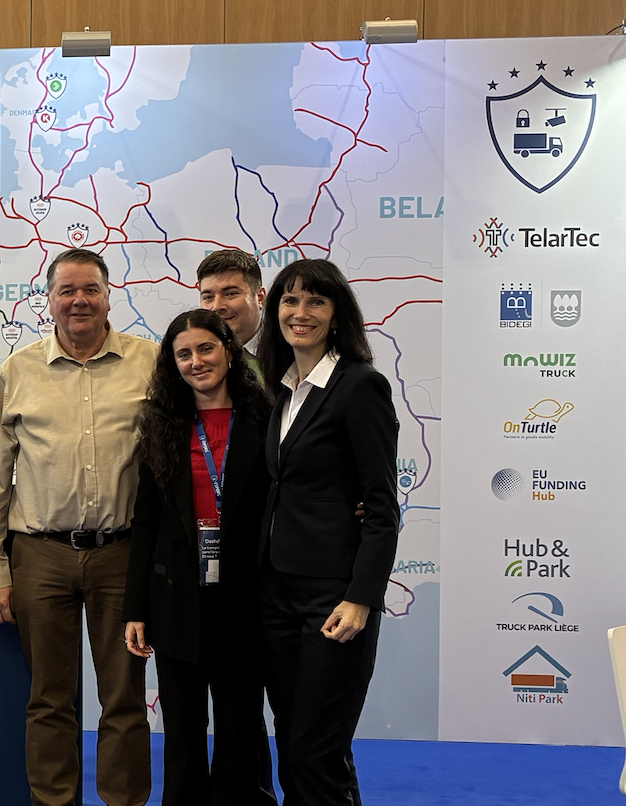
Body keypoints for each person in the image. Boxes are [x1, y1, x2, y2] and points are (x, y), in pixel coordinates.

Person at [0, 247, 157, 806]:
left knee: (124, 698)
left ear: (108, 297)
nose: (79, 300)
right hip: (40, 554)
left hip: (122, 553)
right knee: (49, 699)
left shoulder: (150, 363)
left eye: (90, 289)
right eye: (67, 291)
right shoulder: (18, 370)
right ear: (48, 300)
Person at [254, 259, 399, 805]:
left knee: (316, 750)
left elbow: (381, 505)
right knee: (295, 743)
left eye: (316, 301)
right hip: (277, 593)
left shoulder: (360, 386)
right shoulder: (282, 390)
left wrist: (361, 599)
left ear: (337, 315)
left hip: (333, 597)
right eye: (290, 300)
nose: (301, 312)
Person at [122, 309, 276, 806]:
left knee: (240, 728)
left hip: (244, 596)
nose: (196, 361)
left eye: (206, 348)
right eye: (183, 354)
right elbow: (146, 521)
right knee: (183, 731)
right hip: (177, 598)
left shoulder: (266, 417)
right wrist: (135, 608)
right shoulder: (162, 423)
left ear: (229, 351)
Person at [197, 249, 265, 370]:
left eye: (230, 294)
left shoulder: (290, 353)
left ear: (260, 298)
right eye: (208, 297)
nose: (217, 306)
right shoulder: (189, 361)